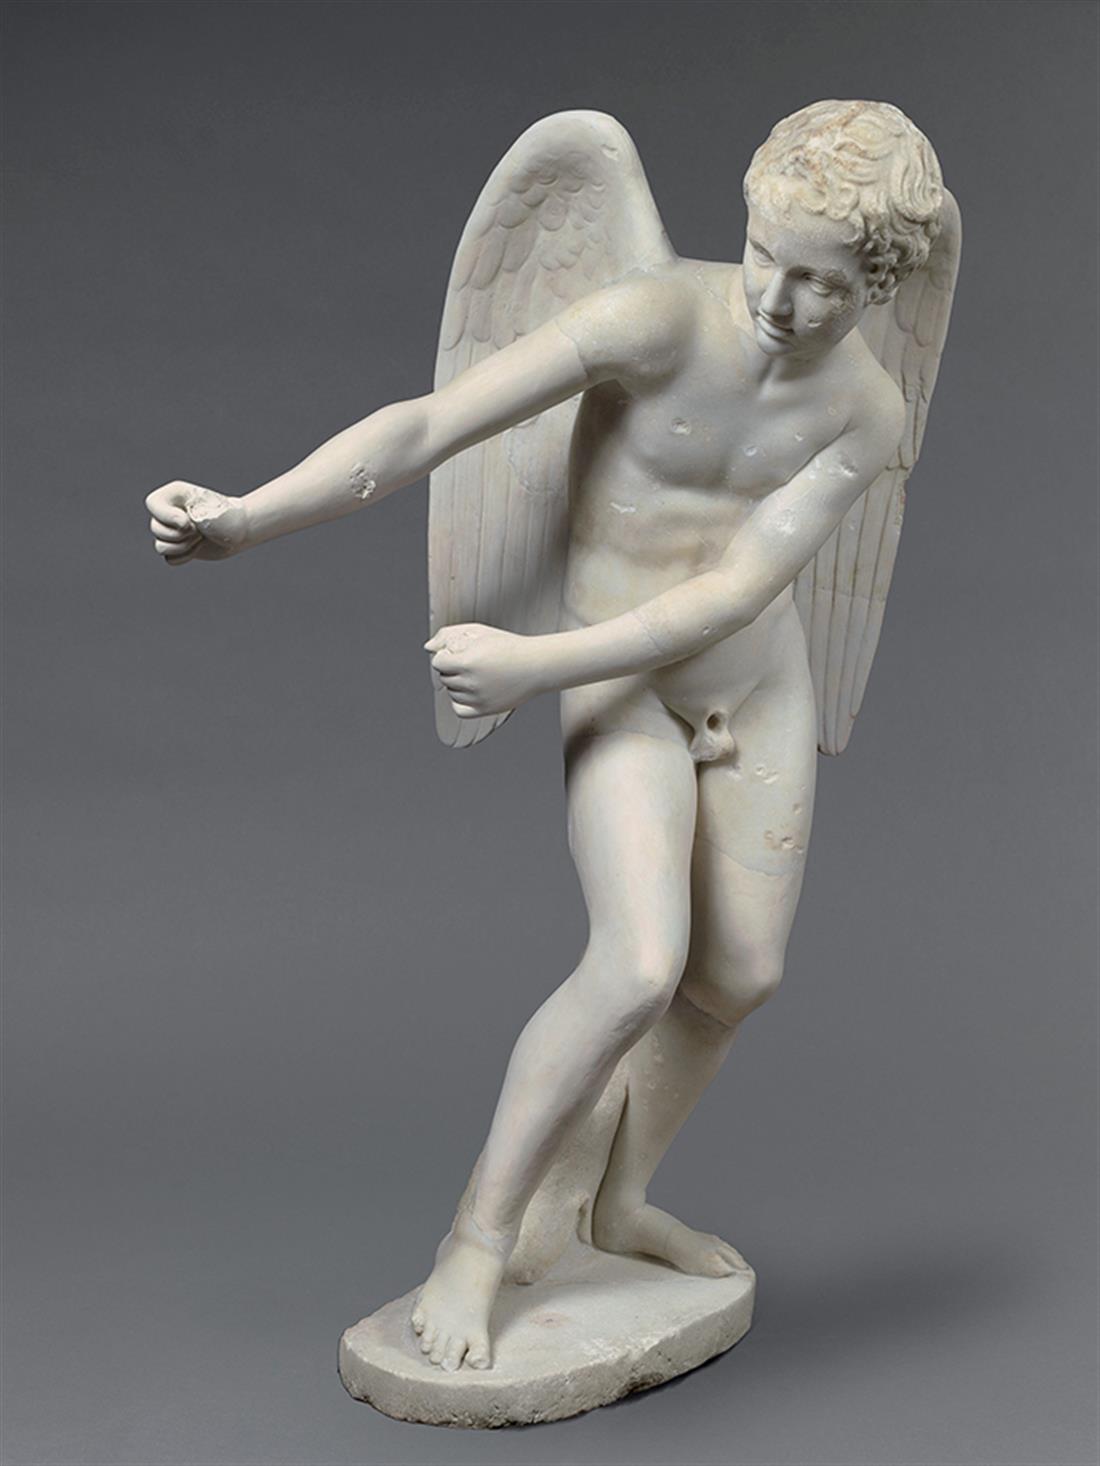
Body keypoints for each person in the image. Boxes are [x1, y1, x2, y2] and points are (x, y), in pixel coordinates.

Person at [146, 100, 945, 1373]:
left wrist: (531, 663)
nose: (776, 300)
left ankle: (617, 1200)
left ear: (878, 286)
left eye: (822, 285)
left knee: (737, 976)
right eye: (763, 256)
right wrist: (246, 517)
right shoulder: (654, 319)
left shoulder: (863, 411)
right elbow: (429, 424)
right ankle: (476, 1237)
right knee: (636, 963)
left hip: (746, 684)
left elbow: (736, 590)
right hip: (620, 688)